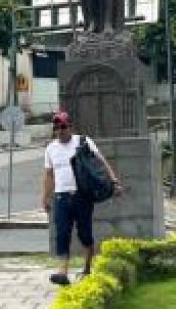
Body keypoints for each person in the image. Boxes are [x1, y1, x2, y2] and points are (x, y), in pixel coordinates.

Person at [41, 111, 123, 286]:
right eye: (56, 128)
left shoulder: (83, 142)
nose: (60, 131)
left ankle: (87, 267)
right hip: (61, 197)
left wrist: (114, 181)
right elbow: (49, 175)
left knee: (84, 233)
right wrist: (45, 197)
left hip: (82, 195)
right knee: (62, 234)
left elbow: (101, 162)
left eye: (63, 127)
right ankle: (63, 271)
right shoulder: (50, 149)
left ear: (70, 126)